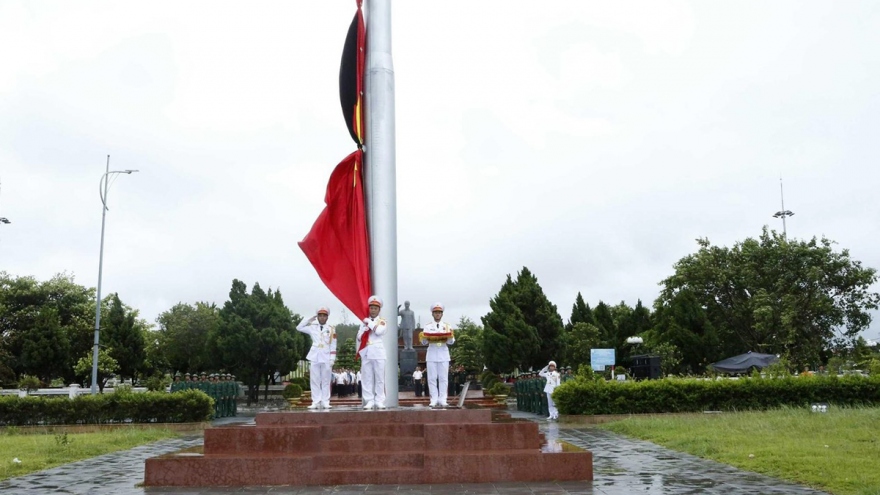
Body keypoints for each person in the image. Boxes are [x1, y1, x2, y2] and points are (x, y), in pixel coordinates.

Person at [296, 306, 337, 410]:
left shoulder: (331, 329)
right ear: (317, 316)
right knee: (314, 380)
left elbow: (333, 344)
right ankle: (315, 401)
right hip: (315, 356)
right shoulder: (312, 327)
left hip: (326, 356)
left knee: (326, 380)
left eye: (324, 316)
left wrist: (332, 358)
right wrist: (308, 320)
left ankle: (325, 401)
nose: (322, 318)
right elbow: (299, 328)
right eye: (320, 315)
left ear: (327, 317)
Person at [420, 302, 455, 408]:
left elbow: (451, 342)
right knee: (431, 378)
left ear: (442, 314)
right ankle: (434, 399)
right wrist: (426, 338)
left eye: (439, 312)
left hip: (443, 354)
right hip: (432, 354)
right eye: (435, 312)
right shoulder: (427, 326)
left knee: (443, 378)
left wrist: (449, 336)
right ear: (432, 314)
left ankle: (443, 399)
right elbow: (424, 343)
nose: (437, 314)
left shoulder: (447, 326)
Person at [357, 295, 388, 410]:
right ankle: (369, 400)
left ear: (379, 310)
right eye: (371, 308)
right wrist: (363, 332)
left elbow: (379, 331)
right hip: (366, 351)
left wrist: (369, 323)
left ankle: (379, 400)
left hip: (378, 352)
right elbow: (358, 337)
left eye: (375, 308)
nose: (373, 310)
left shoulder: (382, 321)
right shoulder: (363, 322)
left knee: (379, 378)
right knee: (367, 377)